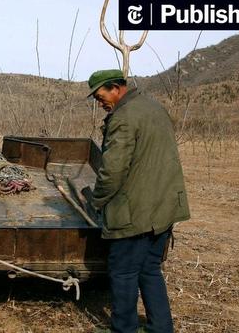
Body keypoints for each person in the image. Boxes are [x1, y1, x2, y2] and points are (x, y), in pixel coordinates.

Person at [87, 69, 190, 333]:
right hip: (163, 207)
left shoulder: (123, 117)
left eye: (101, 97)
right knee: (150, 269)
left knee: (123, 274)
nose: (101, 104)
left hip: (136, 213)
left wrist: (96, 200)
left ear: (115, 88)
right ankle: (162, 328)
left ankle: (124, 329)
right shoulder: (152, 106)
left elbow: (112, 171)